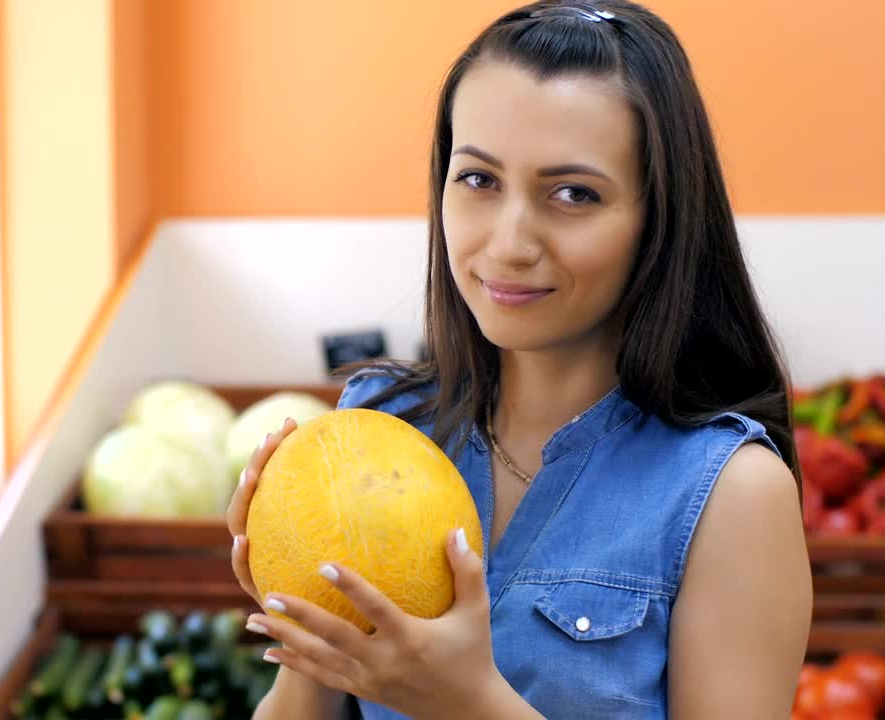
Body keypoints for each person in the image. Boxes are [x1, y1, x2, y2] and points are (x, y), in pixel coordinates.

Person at [225, 1, 813, 717]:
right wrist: (302, 621)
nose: (508, 244)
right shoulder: (377, 424)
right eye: (479, 179)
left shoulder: (734, 495)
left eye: (573, 194)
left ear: (659, 217)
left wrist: (469, 703)